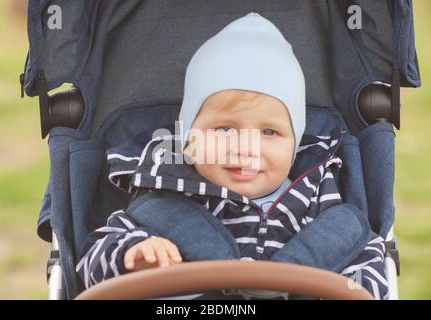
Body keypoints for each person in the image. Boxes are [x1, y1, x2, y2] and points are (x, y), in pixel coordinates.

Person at [76, 12, 388, 299]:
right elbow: (92, 262)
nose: (246, 148)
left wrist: (360, 286)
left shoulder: (318, 201)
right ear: (188, 139)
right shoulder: (162, 195)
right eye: (225, 129)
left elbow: (365, 257)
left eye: (269, 133)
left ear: (294, 144)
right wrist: (133, 253)